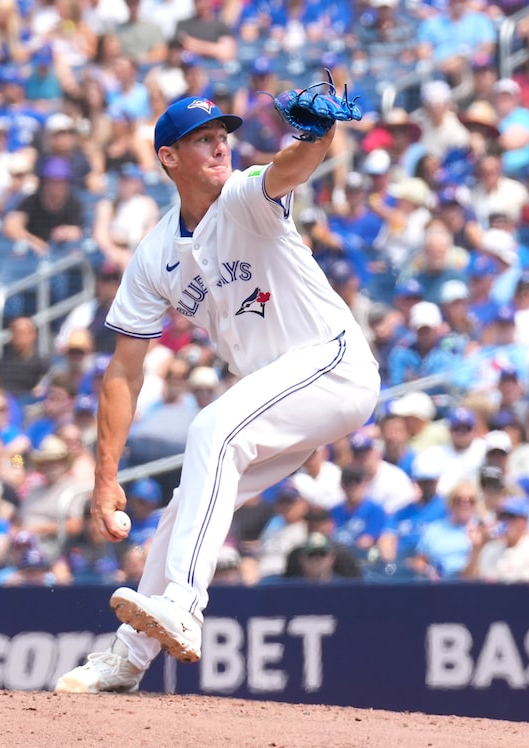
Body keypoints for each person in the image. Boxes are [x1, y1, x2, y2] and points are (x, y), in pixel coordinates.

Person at [55, 95, 380, 694]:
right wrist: (105, 477)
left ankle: (184, 602)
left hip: (333, 363)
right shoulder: (154, 255)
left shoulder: (243, 198)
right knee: (183, 511)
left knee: (212, 428)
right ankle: (128, 659)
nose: (219, 146)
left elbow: (289, 168)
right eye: (203, 139)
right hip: (279, 391)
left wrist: (319, 135)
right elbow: (124, 371)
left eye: (222, 135)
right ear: (168, 157)